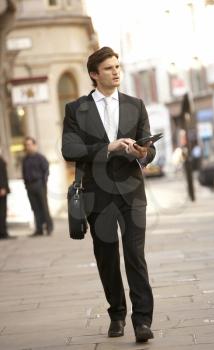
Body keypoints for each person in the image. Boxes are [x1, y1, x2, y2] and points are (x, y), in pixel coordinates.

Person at [62, 47, 155, 343]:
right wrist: (109, 147)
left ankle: (142, 321)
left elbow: (149, 150)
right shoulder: (76, 109)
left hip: (131, 193)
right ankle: (116, 313)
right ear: (94, 74)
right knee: (106, 257)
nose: (116, 71)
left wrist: (143, 152)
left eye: (117, 66)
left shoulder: (135, 104)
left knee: (134, 256)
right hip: (96, 194)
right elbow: (70, 150)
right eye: (108, 68)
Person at [22, 137, 53, 236]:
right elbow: (23, 172)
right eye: (27, 145)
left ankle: (49, 228)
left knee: (44, 207)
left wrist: (44, 182)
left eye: (30, 144)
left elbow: (46, 170)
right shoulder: (25, 159)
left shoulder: (40, 157)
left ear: (34, 145)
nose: (28, 147)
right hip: (29, 186)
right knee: (35, 208)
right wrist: (26, 185)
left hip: (39, 184)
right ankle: (39, 229)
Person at [0, 154, 12, 240]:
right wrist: (2, 187)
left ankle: (3, 231)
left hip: (2, 189)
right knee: (2, 212)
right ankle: (3, 233)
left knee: (3, 212)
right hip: (1, 190)